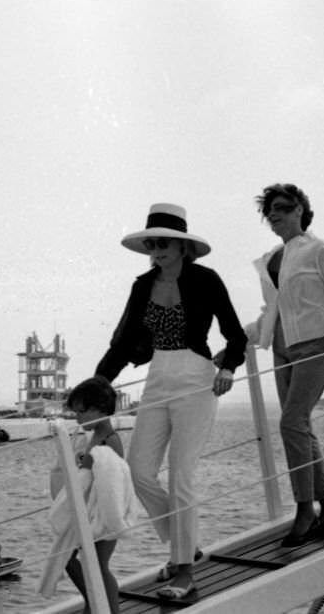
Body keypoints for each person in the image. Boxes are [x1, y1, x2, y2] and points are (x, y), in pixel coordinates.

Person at [94, 202, 247, 601]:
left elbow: (235, 336)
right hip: (158, 377)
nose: (156, 251)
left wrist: (229, 368)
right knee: (139, 471)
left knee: (181, 476)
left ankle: (184, 570)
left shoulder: (206, 280)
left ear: (182, 247)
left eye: (163, 244)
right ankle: (185, 543)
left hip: (197, 379)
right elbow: (124, 341)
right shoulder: (142, 286)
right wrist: (97, 385)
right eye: (151, 245)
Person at [247, 183, 324, 547]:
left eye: (281, 207)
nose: (274, 215)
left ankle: (303, 509)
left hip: (316, 341)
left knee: (292, 422)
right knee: (301, 426)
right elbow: (271, 311)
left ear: (300, 209)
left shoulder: (319, 249)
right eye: (269, 210)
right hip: (281, 347)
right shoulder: (270, 259)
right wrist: (238, 340)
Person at [43, 376, 138, 614]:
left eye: (82, 412)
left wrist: (87, 465)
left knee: (98, 565)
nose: (77, 418)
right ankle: (93, 602)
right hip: (90, 510)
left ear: (100, 409)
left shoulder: (110, 441)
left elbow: (113, 481)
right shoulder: (92, 436)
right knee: (74, 558)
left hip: (104, 512)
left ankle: (109, 609)